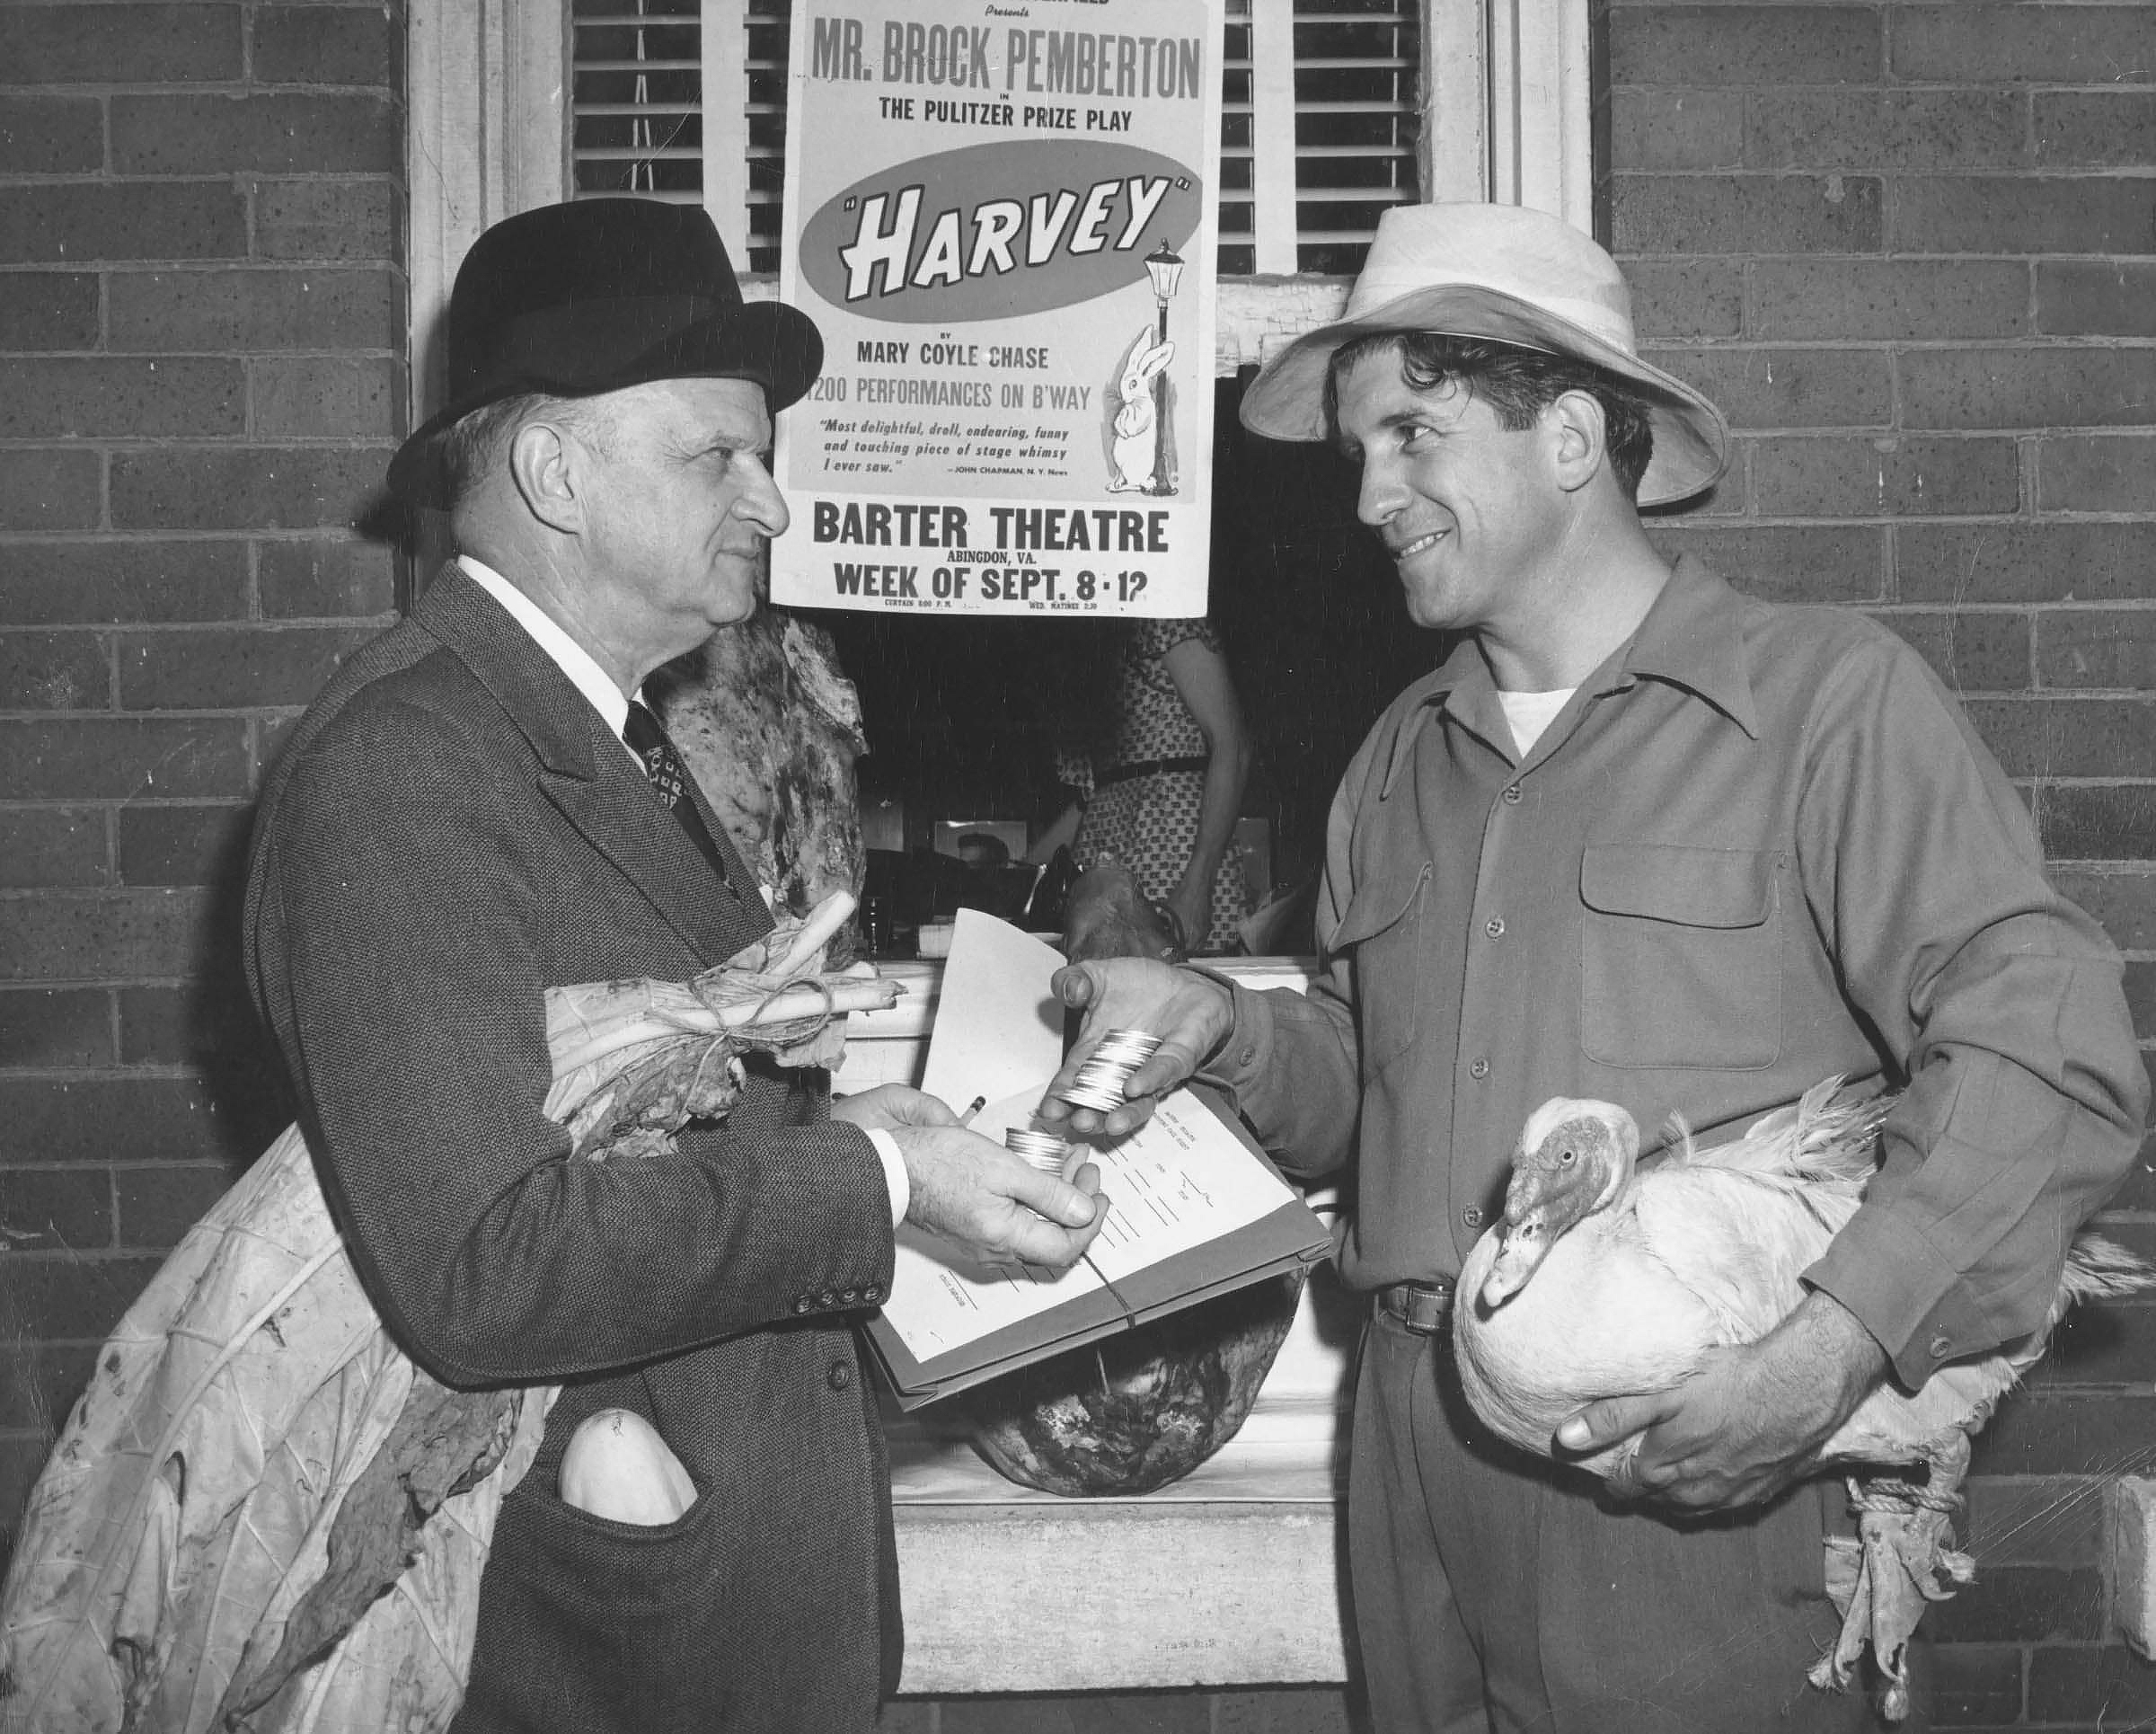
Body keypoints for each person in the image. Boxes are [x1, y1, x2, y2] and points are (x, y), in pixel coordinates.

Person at [1038, 203, 2147, 1733]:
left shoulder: (1823, 704)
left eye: (1412, 435)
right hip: (1416, 1467)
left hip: (1698, 1481)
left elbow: (2056, 1052)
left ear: (1568, 435)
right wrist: (1222, 1024)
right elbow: (1372, 1098)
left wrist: (1830, 1352)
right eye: (1359, 450)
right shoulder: (1394, 761)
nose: (1369, 494)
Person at [243, 199, 1106, 1734]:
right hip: (597, 1652)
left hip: (717, 1618)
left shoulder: (599, 739)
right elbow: (487, 1269)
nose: (773, 502)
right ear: (555, 473)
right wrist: (881, 1183)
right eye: (721, 454)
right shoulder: (403, 767)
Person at [1054, 616, 1255, 955]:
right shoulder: (1090, 649)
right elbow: (1090, 798)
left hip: (1173, 847)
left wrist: (1198, 884)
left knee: (1180, 988)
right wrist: (1020, 870)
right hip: (1103, 851)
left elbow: (1233, 747)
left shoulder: (1166, 619)